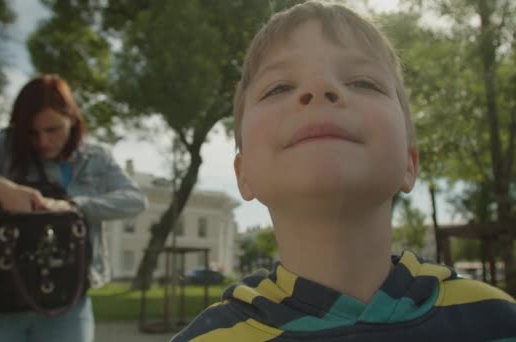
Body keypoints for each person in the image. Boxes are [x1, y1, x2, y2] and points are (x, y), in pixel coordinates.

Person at [172, 2, 516, 341]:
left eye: (364, 82)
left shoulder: (498, 321)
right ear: (243, 173)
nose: (319, 88)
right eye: (279, 87)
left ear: (409, 164)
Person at [0, 74, 147, 342]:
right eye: (31, 131)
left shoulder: (97, 157)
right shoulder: (5, 146)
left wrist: (73, 206)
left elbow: (134, 199)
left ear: (72, 120)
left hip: (67, 301)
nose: (42, 141)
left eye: (52, 129)